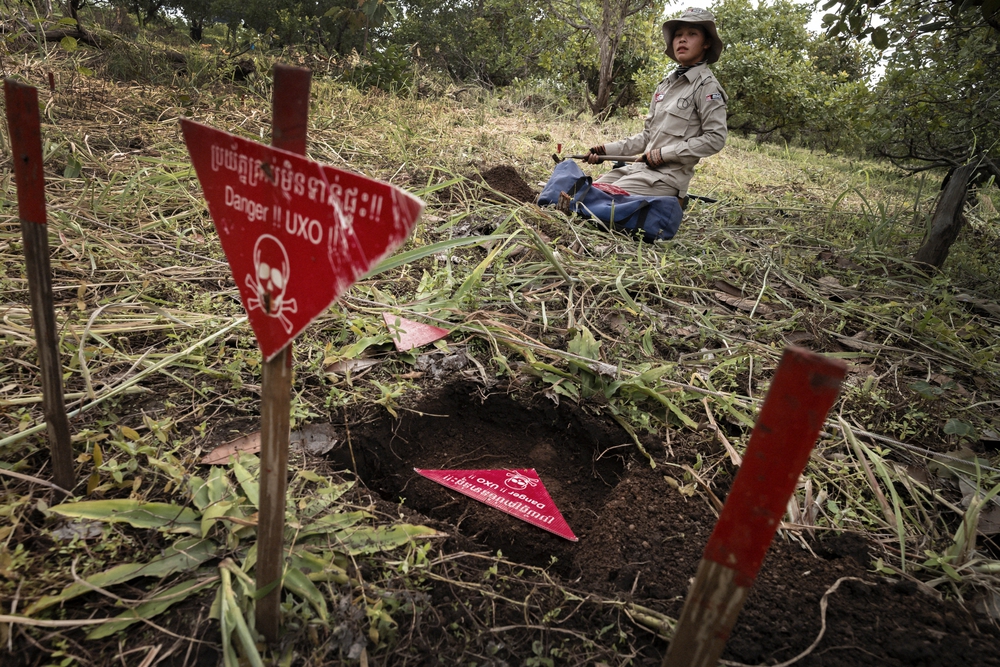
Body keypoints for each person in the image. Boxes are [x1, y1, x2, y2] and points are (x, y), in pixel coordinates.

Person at [586, 7, 728, 200]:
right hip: (638, 170)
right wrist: (604, 151)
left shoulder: (707, 87)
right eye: (678, 35)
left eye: (692, 34)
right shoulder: (665, 86)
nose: (682, 40)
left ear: (707, 43)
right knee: (588, 189)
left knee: (598, 198)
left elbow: (715, 138)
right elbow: (647, 137)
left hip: (665, 179)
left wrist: (664, 154)